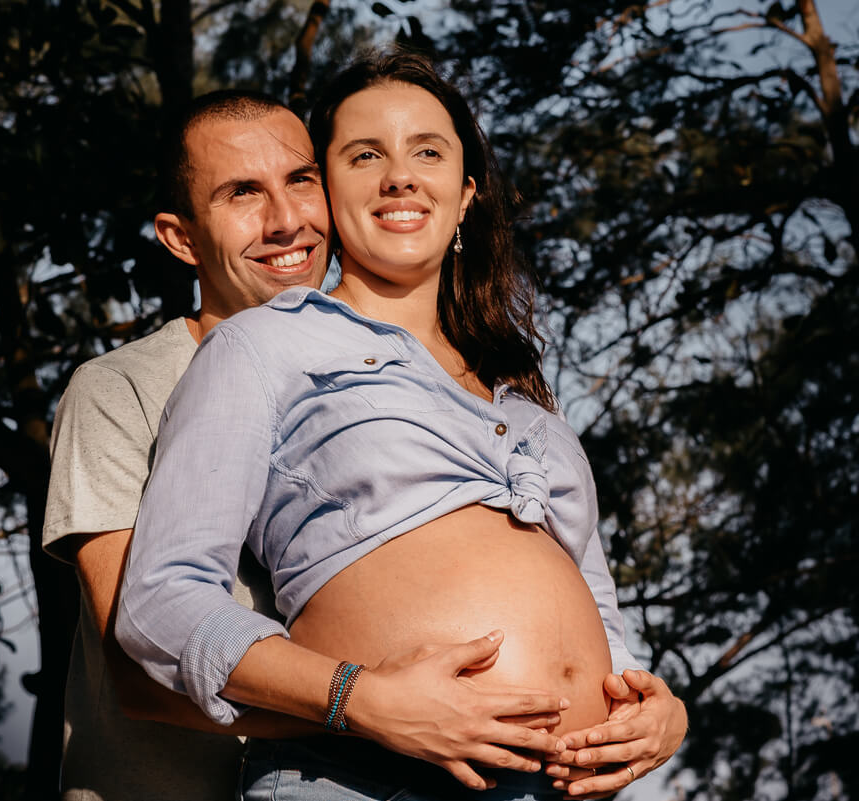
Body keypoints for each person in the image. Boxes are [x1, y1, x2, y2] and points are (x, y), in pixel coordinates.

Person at [116, 53, 687, 801]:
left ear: (466, 192)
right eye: (364, 155)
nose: (399, 176)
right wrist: (360, 697)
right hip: (364, 780)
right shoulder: (264, 344)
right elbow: (161, 601)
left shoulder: (532, 415)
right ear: (327, 189)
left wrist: (656, 715)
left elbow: (609, 635)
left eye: (427, 150)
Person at [44, 89, 577, 801]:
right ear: (180, 237)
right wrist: (380, 706)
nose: (286, 220)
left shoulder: (373, 377)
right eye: (242, 194)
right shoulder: (120, 389)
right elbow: (142, 674)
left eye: (301, 181)